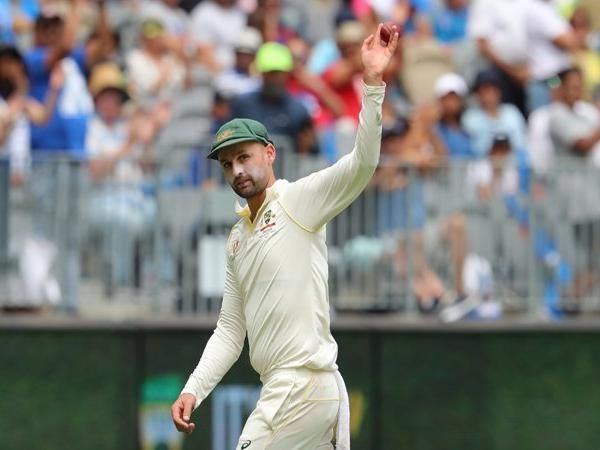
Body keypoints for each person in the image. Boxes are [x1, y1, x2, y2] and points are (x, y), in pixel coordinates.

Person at [171, 23, 399, 449]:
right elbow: (229, 328)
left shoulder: (297, 201)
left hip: (302, 387)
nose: (237, 170)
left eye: (244, 157)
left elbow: (362, 164)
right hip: (303, 391)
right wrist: (193, 389)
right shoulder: (238, 238)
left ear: (270, 153)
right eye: (227, 164)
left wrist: (372, 83)